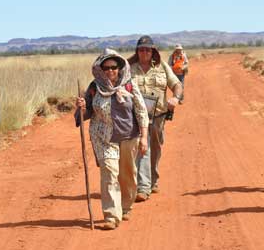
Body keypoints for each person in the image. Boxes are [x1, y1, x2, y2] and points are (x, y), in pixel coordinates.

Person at [75, 48, 149, 230]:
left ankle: (125, 207)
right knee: (109, 173)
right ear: (100, 69)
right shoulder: (94, 87)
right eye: (106, 68)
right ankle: (111, 215)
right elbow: (83, 114)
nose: (110, 71)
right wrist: (82, 107)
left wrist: (144, 137)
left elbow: (141, 111)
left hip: (128, 137)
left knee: (127, 176)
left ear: (120, 67)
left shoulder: (130, 85)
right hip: (104, 138)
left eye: (114, 67)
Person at [128, 36, 183, 201]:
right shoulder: (129, 68)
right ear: (137, 51)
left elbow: (176, 84)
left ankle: (152, 180)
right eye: (141, 49)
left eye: (147, 49)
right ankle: (142, 187)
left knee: (155, 148)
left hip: (158, 116)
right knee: (142, 148)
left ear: (153, 51)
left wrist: (176, 98)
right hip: (136, 116)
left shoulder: (162, 67)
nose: (144, 52)